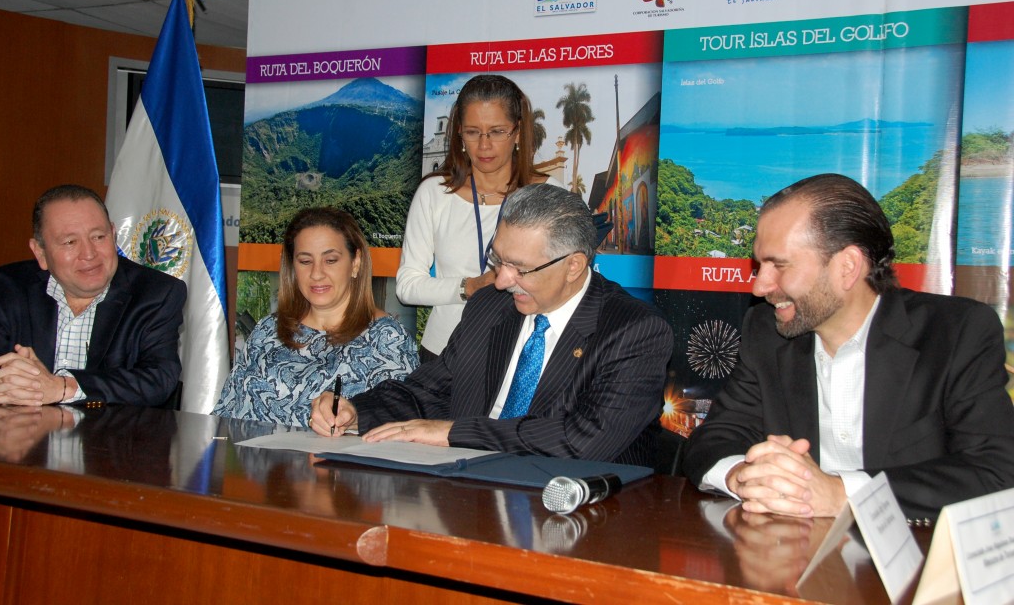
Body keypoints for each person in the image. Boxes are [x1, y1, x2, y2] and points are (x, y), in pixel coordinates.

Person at [682, 173, 1014, 520]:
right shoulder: (765, 331)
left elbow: (995, 471)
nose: (760, 287)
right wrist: (744, 476)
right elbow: (717, 436)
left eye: (779, 265)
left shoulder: (956, 332)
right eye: (759, 265)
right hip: (791, 548)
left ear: (847, 267)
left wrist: (842, 494)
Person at [312, 183, 674, 466]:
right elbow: (427, 391)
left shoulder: (635, 332)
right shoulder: (490, 306)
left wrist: (455, 433)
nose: (501, 280)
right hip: (470, 491)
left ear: (573, 266)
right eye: (497, 260)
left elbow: (582, 441)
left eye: (520, 268)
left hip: (579, 504)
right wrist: (357, 410)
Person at [396, 74, 560, 362]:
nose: (484, 145)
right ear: (459, 133)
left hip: (521, 356)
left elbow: (570, 284)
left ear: (517, 132)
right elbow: (408, 286)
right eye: (473, 132)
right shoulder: (434, 192)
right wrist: (469, 286)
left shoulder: (551, 195)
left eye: (497, 131)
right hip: (444, 354)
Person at [212, 207, 418, 428]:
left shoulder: (388, 339)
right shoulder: (267, 330)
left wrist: (353, 418)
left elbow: (401, 421)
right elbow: (224, 414)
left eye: (330, 260)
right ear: (292, 266)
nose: (317, 273)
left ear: (355, 262)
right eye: (305, 261)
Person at [0, 184, 186, 407]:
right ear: (40, 253)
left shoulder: (156, 293)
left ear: (113, 235)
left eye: (99, 237)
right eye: (70, 242)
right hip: (22, 427)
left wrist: (63, 387)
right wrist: (17, 381)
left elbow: (158, 380)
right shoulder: (5, 288)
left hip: (111, 429)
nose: (89, 254)